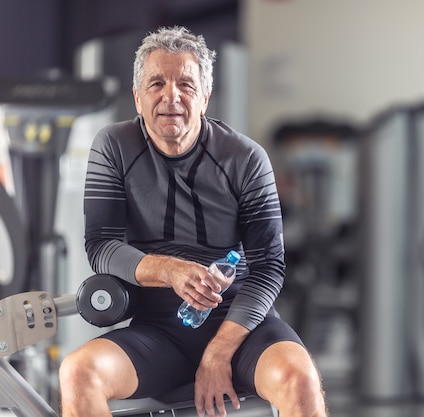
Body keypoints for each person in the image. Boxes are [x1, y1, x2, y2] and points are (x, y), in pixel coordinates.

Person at [59, 26, 328, 417]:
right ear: (137, 97)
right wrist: (169, 270)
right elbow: (100, 246)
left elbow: (268, 268)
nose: (171, 96)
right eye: (156, 83)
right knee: (77, 372)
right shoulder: (113, 146)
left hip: (241, 326)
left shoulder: (246, 158)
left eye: (186, 84)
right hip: (158, 331)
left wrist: (219, 353)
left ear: (205, 97)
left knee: (300, 380)